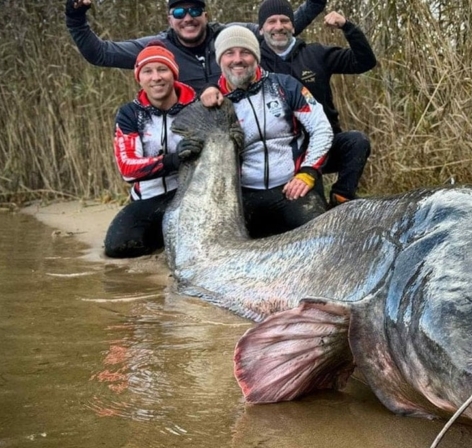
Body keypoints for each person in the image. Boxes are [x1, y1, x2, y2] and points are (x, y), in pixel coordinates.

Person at [201, 26, 333, 237]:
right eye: (229, 53)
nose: (238, 59)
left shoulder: (285, 85)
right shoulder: (212, 102)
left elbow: (321, 128)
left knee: (320, 236)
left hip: (290, 188)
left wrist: (307, 172)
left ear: (257, 56)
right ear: (220, 60)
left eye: (245, 52)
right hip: (242, 196)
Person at [256, 0, 377, 207]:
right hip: (284, 152)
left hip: (323, 142)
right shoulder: (254, 63)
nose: (279, 26)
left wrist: (347, 26)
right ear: (261, 29)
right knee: (312, 208)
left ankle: (341, 198)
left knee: (357, 142)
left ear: (293, 26)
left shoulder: (316, 53)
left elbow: (365, 61)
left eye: (285, 20)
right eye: (271, 22)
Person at [65, 0, 326, 93]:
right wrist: (75, 18)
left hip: (240, 129)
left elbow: (276, 31)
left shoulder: (231, 35)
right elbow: (99, 54)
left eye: (195, 10)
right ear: (170, 18)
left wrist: (315, 2)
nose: (187, 17)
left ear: (206, 14)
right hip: (190, 136)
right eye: (179, 11)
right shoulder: (157, 47)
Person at [105, 42, 199, 258]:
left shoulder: (195, 108)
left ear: (174, 74)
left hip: (188, 197)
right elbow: (127, 168)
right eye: (147, 71)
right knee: (117, 246)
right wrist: (172, 161)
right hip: (148, 199)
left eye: (162, 69)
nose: (156, 77)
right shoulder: (129, 114)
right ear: (139, 78)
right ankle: (161, 242)